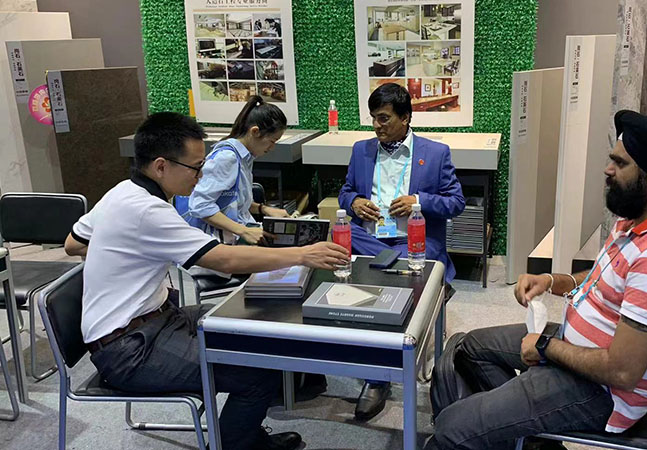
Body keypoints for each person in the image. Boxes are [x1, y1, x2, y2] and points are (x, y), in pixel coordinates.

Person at [426, 110, 647, 450]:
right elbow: (606, 278)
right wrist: (551, 281)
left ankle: (506, 427)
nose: (608, 169)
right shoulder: (637, 220)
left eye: (620, 164)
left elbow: (621, 372)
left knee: (450, 429)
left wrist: (544, 347)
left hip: (602, 392)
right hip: (579, 350)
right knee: (471, 349)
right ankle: (525, 436)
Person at [64, 112, 349, 450]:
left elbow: (73, 244)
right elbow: (223, 259)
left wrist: (122, 250)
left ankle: (247, 428)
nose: (200, 177)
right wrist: (302, 254)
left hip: (155, 320)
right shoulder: (147, 210)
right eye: (196, 168)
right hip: (130, 349)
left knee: (249, 323)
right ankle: (239, 444)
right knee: (257, 372)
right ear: (161, 166)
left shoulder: (121, 192)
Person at [338, 82, 465, 421]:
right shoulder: (361, 150)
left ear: (406, 117)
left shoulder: (435, 153)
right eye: (373, 118)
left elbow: (456, 203)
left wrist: (418, 202)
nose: (377, 126)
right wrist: (355, 202)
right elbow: (345, 192)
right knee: (337, 236)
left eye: (384, 118)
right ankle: (422, 278)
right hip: (370, 238)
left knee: (386, 279)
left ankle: (377, 378)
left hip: (413, 239)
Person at [185, 95, 290, 249]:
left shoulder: (245, 157)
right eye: (272, 141)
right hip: (219, 243)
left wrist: (264, 209)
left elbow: (231, 201)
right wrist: (243, 231)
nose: (272, 147)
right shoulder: (227, 158)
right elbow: (200, 206)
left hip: (238, 234)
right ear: (255, 132)